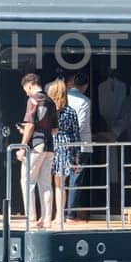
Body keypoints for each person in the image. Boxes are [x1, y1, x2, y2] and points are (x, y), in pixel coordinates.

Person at [14, 72, 55, 228]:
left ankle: (31, 218)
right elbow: (54, 130)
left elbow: (30, 125)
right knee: (45, 184)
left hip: (36, 145)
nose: (26, 93)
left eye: (26, 89)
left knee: (27, 181)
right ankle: (46, 220)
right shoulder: (50, 101)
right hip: (50, 146)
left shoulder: (32, 100)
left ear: (30, 85)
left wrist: (22, 147)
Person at [47, 78, 80, 229]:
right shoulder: (70, 111)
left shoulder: (49, 111)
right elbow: (75, 135)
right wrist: (76, 157)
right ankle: (60, 215)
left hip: (52, 145)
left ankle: (54, 215)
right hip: (65, 146)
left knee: (51, 183)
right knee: (61, 184)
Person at [65, 73, 93, 220]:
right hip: (81, 145)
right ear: (85, 86)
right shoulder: (85, 101)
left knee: (60, 178)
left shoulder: (63, 97)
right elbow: (81, 124)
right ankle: (70, 214)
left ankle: (58, 214)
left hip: (63, 144)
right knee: (75, 179)